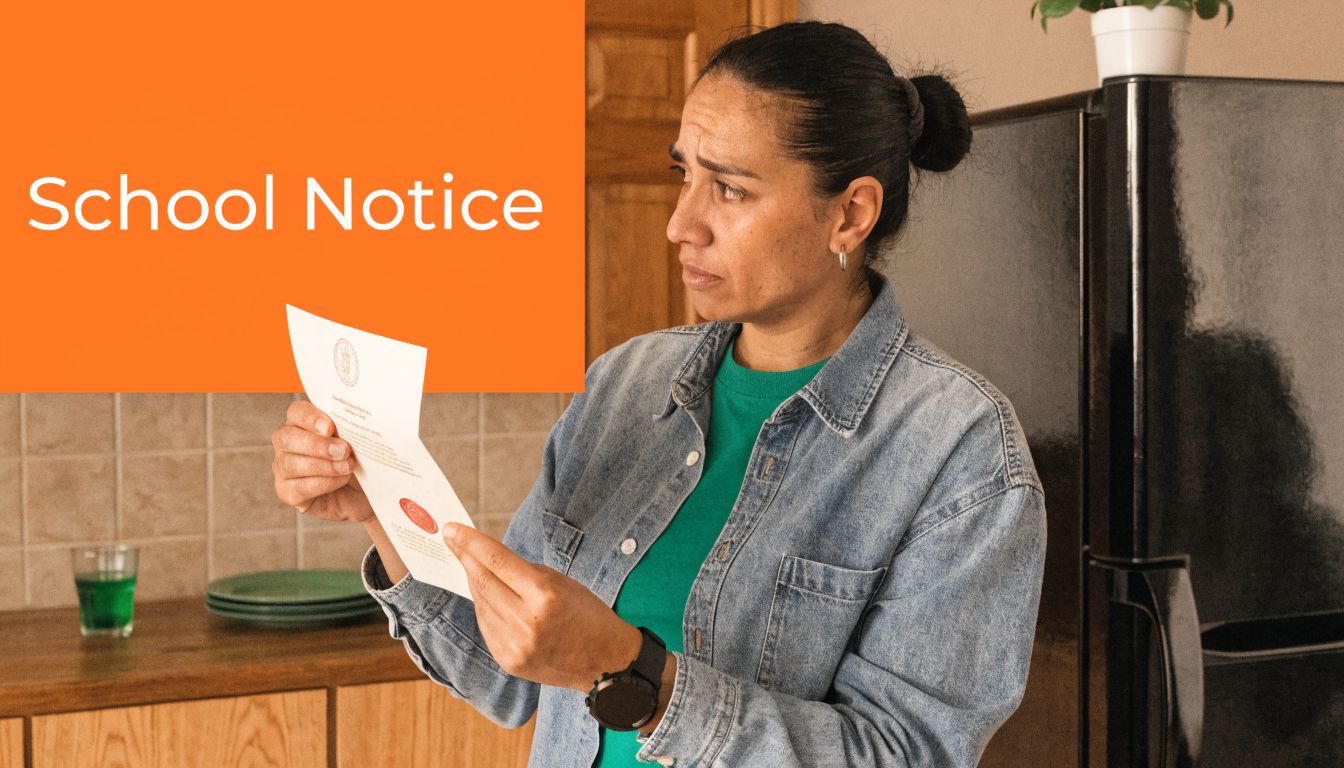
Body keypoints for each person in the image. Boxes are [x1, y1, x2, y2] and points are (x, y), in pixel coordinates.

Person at [272, 21, 1045, 768]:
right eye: (685, 174)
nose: (681, 224)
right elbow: (509, 679)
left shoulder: (959, 450)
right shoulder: (626, 384)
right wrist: (380, 512)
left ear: (850, 214)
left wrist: (636, 678)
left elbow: (910, 756)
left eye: (731, 191)